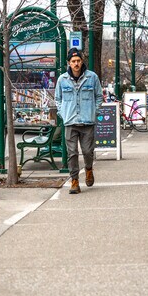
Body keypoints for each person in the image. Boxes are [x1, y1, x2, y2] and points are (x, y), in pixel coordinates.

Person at [55, 48, 104, 194]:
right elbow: (58, 99)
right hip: (70, 122)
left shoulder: (92, 77)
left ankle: (89, 169)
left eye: (78, 61)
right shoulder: (62, 80)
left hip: (87, 122)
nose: (76, 64)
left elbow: (99, 96)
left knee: (88, 152)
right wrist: (63, 113)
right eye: (73, 61)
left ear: (82, 62)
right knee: (72, 153)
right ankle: (74, 181)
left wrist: (94, 113)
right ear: (68, 63)